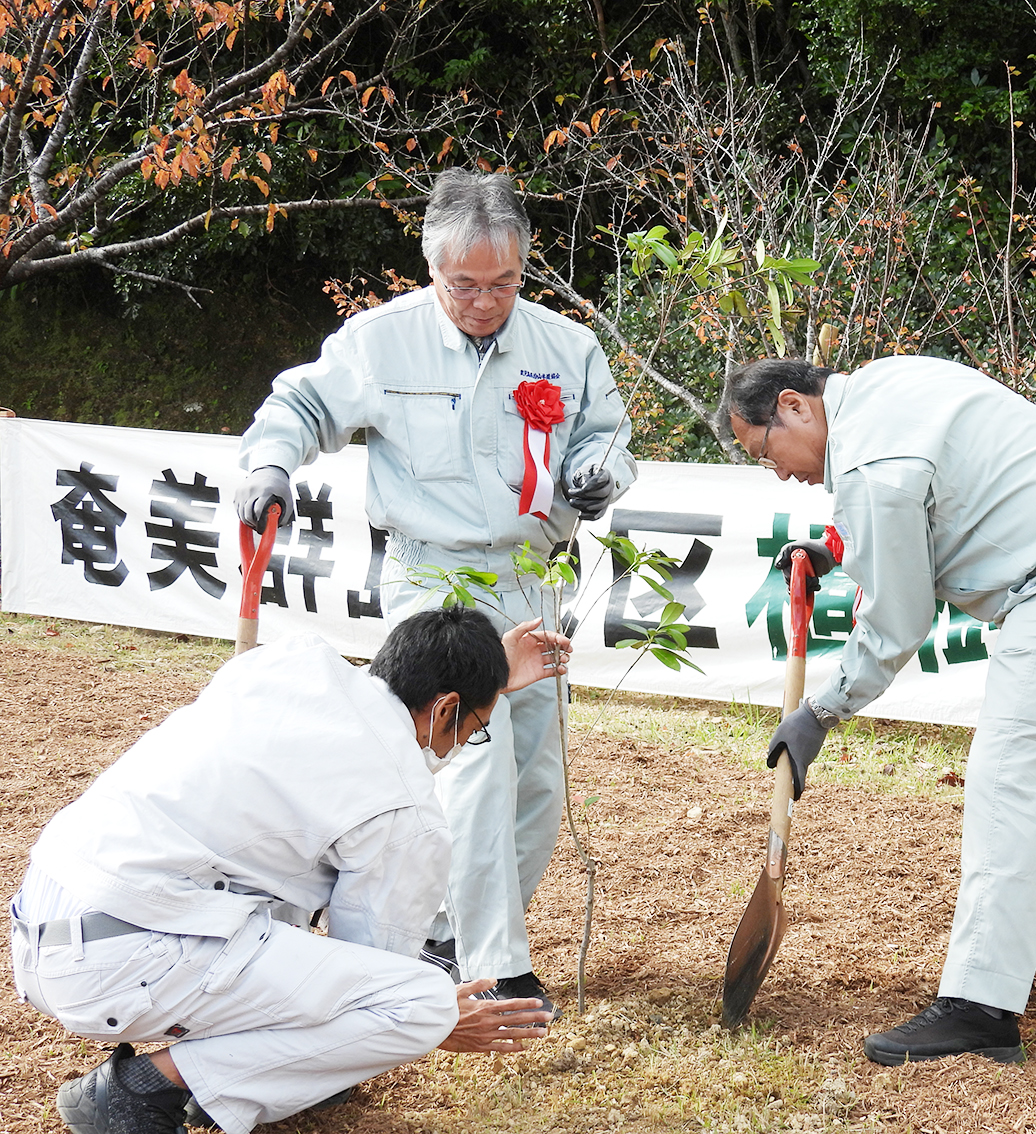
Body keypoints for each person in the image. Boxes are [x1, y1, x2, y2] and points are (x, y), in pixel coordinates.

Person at [234, 169, 636, 1015]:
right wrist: (269, 465)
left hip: (534, 577)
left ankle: (450, 932)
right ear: (432, 269)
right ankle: (497, 966)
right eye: (464, 286)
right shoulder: (381, 341)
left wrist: (601, 472)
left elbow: (606, 434)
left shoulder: (567, 347)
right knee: (476, 764)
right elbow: (299, 404)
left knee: (538, 782)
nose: (484, 303)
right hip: (435, 579)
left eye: (503, 284)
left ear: (524, 269)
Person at [727, 354, 1036, 1066]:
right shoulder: (888, 384)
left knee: (1011, 776)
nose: (778, 473)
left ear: (794, 406)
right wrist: (840, 546)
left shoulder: (871, 464)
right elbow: (943, 494)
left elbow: (897, 620)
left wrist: (821, 713)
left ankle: (980, 1006)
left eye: (765, 452)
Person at [10, 606, 570, 1133]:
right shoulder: (407, 812)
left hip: (44, 916)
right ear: (445, 709)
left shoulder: (289, 660)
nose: (463, 744)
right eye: (474, 728)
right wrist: (441, 1022)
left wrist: (484, 672)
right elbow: (374, 968)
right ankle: (143, 1089)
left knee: (283, 895)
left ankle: (239, 1075)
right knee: (420, 1002)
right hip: (123, 960)